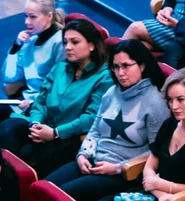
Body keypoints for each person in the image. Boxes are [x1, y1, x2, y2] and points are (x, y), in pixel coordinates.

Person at [46, 40, 169, 201]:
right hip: (93, 161)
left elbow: (157, 152)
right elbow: (95, 129)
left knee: (63, 195)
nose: (120, 73)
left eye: (126, 66)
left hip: (121, 174)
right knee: (46, 187)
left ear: (142, 66)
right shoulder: (112, 92)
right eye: (116, 67)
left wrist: (119, 168)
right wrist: (83, 155)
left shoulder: (155, 102)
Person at [91, 68, 185, 201]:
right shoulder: (170, 124)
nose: (174, 106)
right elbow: (151, 162)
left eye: (180, 99)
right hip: (153, 194)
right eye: (170, 100)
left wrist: (159, 186)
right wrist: (155, 188)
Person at [0, 19, 111, 179]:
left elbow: (91, 117)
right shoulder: (60, 68)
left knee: (33, 156)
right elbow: (40, 100)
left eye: (75, 42)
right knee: (8, 128)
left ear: (92, 45)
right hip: (44, 126)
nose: (68, 47)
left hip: (68, 135)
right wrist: (36, 123)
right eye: (65, 42)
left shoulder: (104, 77)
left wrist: (55, 133)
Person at [2, 0, 65, 120]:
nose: (27, 22)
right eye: (26, 16)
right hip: (23, 102)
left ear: (49, 17)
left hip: (44, 106)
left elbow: (60, 85)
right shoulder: (29, 42)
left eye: (33, 17)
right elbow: (10, 77)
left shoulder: (60, 42)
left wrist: (34, 101)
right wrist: (16, 47)